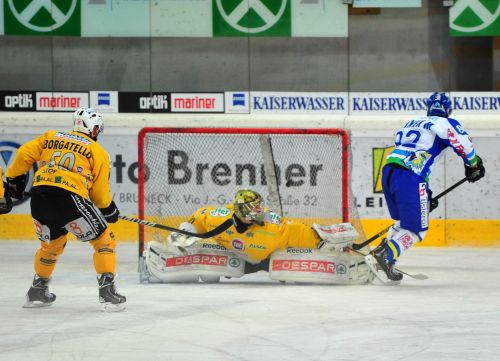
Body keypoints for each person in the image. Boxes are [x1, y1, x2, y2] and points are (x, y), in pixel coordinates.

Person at [5, 108, 126, 311]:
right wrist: (109, 209)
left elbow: (24, 153)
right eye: (97, 128)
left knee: (51, 246)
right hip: (69, 197)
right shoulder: (97, 152)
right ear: (92, 128)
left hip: (40, 196)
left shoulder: (51, 136)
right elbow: (99, 195)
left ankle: (37, 291)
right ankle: (107, 293)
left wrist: (12, 177)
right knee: (103, 240)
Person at [365, 92, 486, 283]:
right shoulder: (446, 122)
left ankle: (384, 256)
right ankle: (385, 254)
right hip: (410, 176)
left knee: (403, 223)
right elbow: (463, 144)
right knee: (417, 230)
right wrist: (473, 164)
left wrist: (425, 193)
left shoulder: (413, 122)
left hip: (389, 171)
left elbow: (416, 154)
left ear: (428, 108)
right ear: (448, 110)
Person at [143, 189, 367, 284]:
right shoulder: (219, 217)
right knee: (210, 275)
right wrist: (182, 235)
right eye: (254, 209)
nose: (260, 211)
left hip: (270, 259)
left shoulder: (273, 226)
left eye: (260, 207)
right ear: (241, 212)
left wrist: (322, 240)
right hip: (239, 258)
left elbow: (296, 232)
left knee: (289, 277)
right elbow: (198, 218)